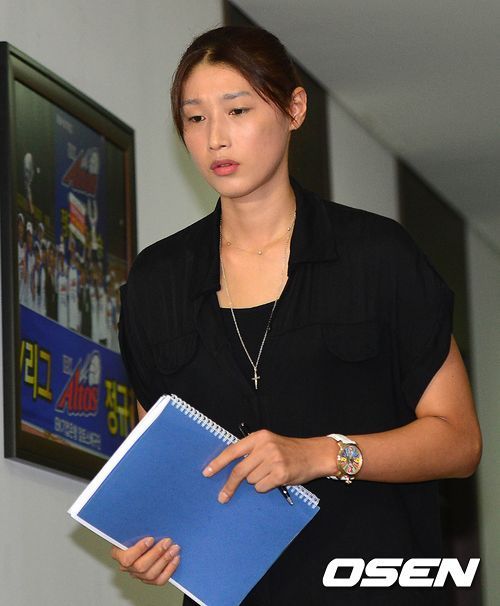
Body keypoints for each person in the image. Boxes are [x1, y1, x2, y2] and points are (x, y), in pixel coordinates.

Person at [113, 26, 481, 605]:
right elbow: (162, 465)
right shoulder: (155, 283)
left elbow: (458, 442)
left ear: (294, 109)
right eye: (195, 118)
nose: (216, 138)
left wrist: (319, 454)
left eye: (237, 110)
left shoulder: (377, 255)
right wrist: (149, 541)